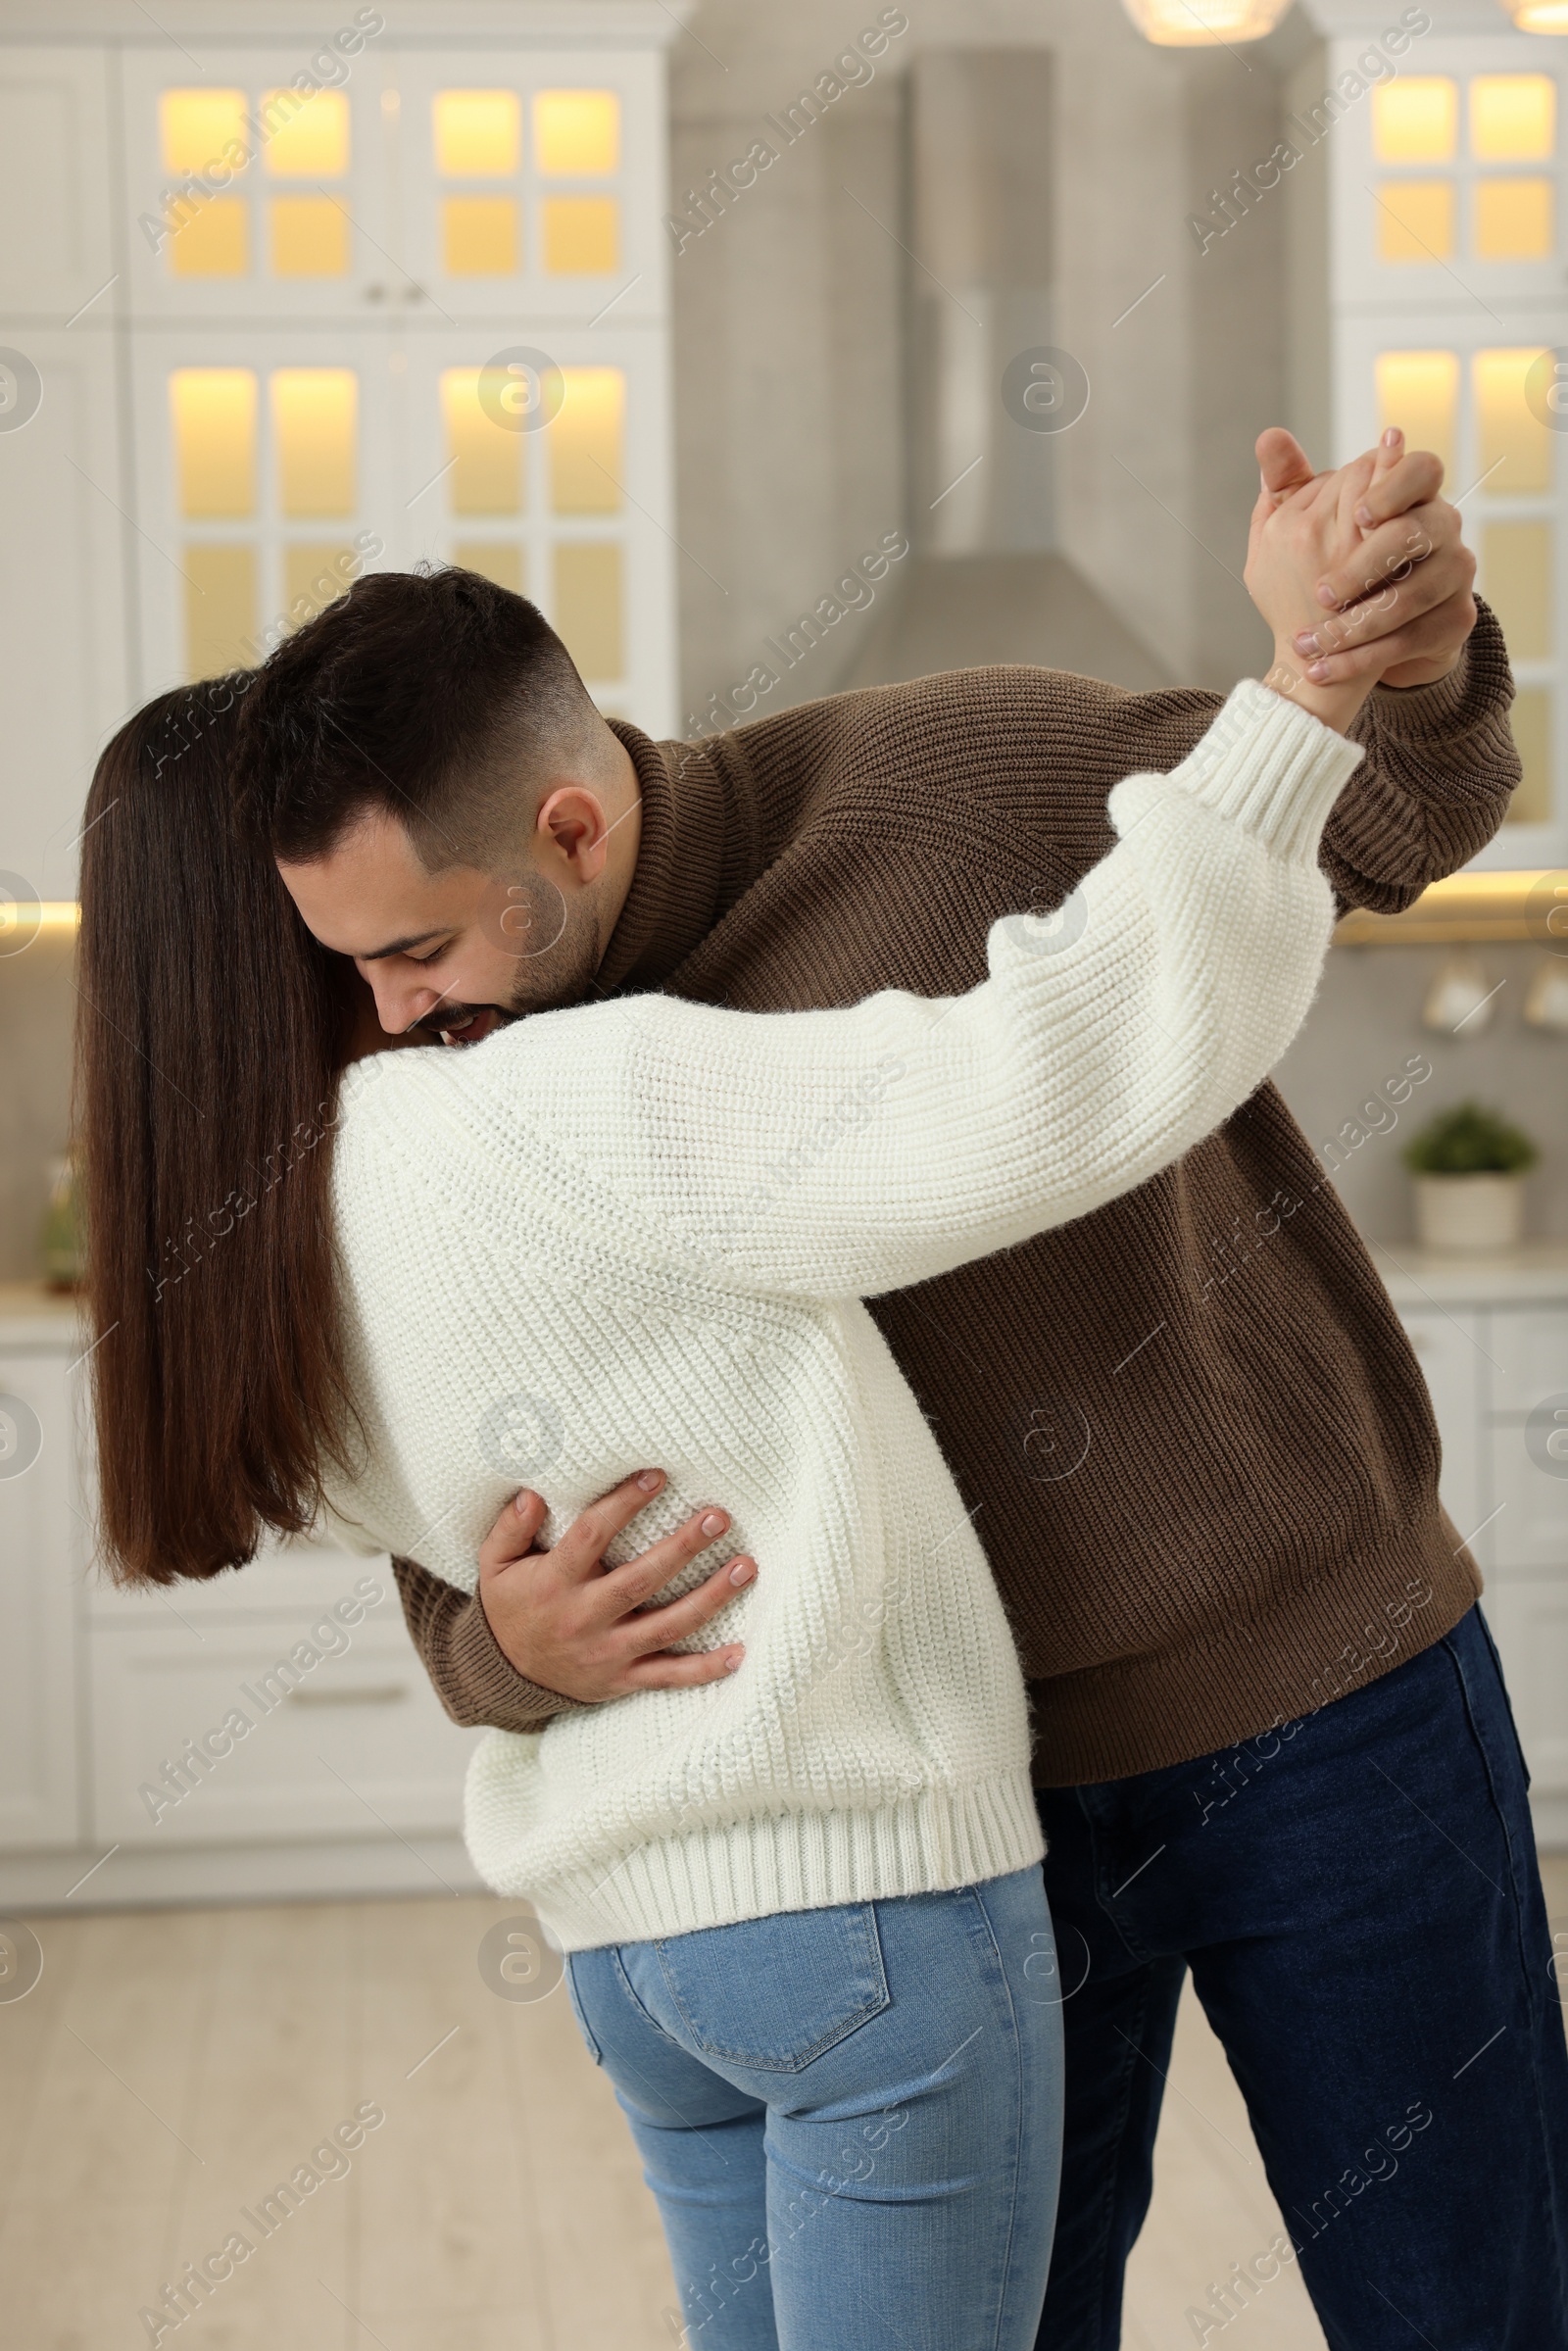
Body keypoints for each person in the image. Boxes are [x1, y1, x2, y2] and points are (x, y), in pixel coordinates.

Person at [225, 421, 1568, 2351]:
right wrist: (503, 1646)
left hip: (1333, 1708)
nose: (398, 1014)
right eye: (354, 967)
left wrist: (1403, 646)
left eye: (417, 947)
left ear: (571, 831)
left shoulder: (954, 772)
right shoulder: (481, 1099)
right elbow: (447, 1512)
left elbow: (1387, 814)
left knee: (1467, 2311)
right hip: (960, 1829)